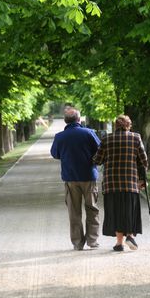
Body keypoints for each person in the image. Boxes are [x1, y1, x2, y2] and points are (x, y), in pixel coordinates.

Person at [93, 114, 148, 252]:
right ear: (129, 125)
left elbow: (98, 160)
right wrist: (143, 179)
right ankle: (129, 236)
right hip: (130, 182)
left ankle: (119, 243)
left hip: (112, 183)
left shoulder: (106, 139)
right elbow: (144, 161)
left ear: (116, 126)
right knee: (129, 209)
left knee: (115, 211)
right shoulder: (136, 137)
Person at [50, 107, 101, 250]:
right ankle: (92, 240)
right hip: (88, 176)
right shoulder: (89, 133)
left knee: (74, 212)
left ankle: (78, 243)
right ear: (79, 119)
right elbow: (100, 150)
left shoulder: (59, 137)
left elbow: (55, 154)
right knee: (92, 209)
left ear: (65, 121)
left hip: (70, 178)